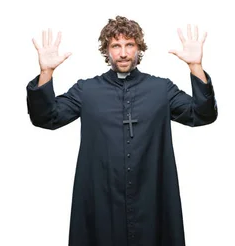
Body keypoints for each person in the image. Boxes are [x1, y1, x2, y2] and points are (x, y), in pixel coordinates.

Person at [26, 16, 217, 246]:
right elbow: (46, 117)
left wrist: (195, 67)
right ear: (106, 50)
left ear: (139, 48)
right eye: (116, 46)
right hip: (101, 203)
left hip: (151, 200)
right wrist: (46, 72)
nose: (123, 53)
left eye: (130, 45)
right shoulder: (86, 90)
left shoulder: (161, 89)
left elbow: (203, 115)